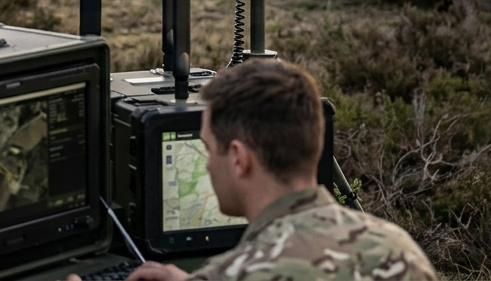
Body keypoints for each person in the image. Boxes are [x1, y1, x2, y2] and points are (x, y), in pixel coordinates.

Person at [94, 61, 436, 281]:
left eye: (209, 149)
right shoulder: (399, 248)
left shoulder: (239, 272)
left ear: (239, 159)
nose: (209, 164)